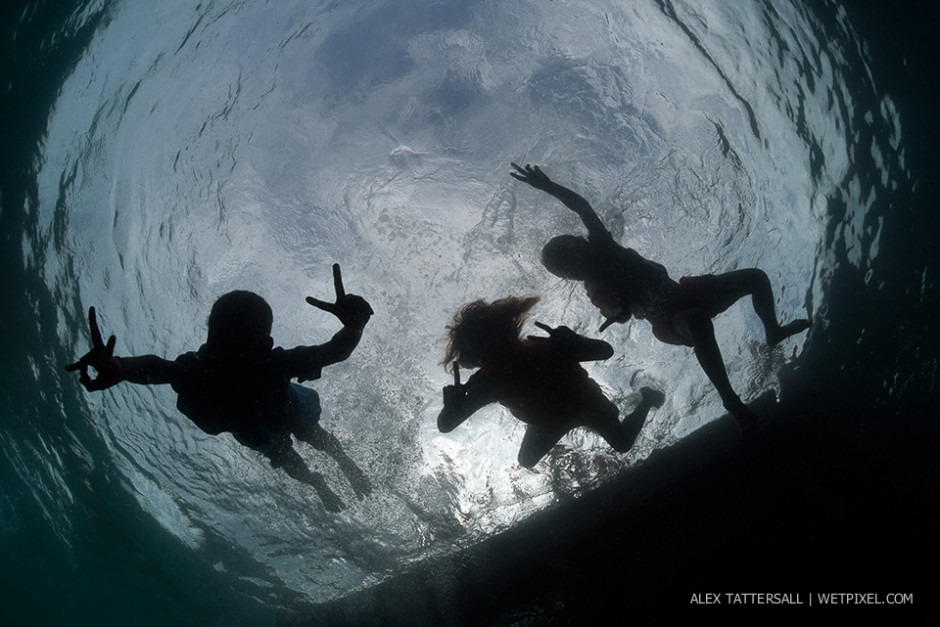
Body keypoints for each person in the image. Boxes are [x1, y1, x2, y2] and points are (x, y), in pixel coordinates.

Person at [510, 163, 811, 432]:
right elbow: (620, 312)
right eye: (571, 266)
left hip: (687, 291)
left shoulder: (603, 245)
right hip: (668, 320)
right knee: (697, 321)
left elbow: (583, 207)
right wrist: (621, 310)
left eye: (575, 252)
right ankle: (730, 400)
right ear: (571, 275)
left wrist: (547, 186)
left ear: (580, 243)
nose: (579, 262)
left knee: (755, 278)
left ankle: (773, 330)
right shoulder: (595, 287)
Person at [66, 264, 374, 512]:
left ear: (264, 345)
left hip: (285, 408)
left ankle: (345, 462)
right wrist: (119, 368)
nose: (231, 353)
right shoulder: (201, 370)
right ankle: (317, 484)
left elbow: (334, 351)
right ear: (210, 338)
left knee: (313, 435)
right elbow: (160, 367)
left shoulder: (272, 363)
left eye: (241, 341)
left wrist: (355, 325)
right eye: (224, 339)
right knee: (291, 460)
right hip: (255, 428)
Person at [437, 296, 664, 468]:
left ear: (507, 333)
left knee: (623, 443)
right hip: (548, 422)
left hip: (585, 402)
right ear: (475, 359)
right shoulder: (488, 383)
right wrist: (451, 408)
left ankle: (647, 400)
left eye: (492, 342)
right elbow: (446, 425)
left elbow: (605, 351)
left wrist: (574, 342)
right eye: (482, 351)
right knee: (526, 461)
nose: (494, 354)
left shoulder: (544, 348)